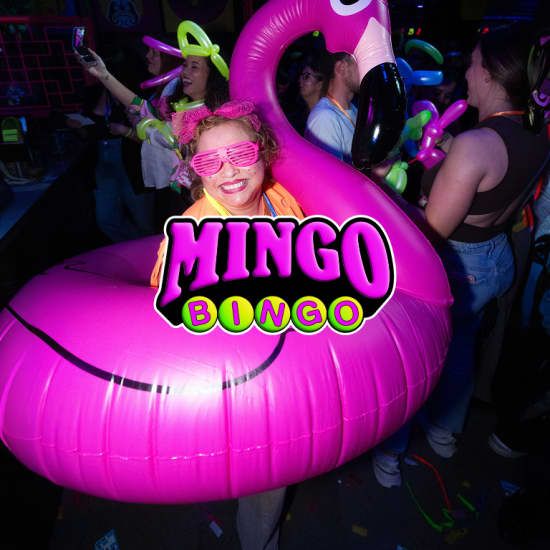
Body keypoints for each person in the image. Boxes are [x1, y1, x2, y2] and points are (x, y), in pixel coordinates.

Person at [371, 24, 550, 488]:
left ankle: (390, 455)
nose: (465, 73)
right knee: (460, 351)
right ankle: (445, 434)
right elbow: (493, 179)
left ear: (490, 74)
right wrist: (449, 151)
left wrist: (383, 191)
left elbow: (430, 230)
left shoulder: (477, 145)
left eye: (472, 64)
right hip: (495, 258)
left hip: (458, 265)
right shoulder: (536, 132)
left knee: (416, 361)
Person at [150, 99, 305, 549]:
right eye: (209, 162)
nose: (228, 171)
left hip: (288, 367)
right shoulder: (191, 237)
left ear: (263, 151)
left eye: (240, 154)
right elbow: (166, 328)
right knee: (267, 487)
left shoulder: (279, 199)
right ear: (196, 172)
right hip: (241, 389)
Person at [77, 26, 229, 230]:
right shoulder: (178, 108)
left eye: (194, 67)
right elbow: (139, 106)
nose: (184, 72)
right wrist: (103, 74)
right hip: (180, 198)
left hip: (210, 205)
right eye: (185, 65)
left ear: (213, 75)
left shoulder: (219, 117)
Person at [304, 52, 359, 163]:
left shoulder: (354, 110)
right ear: (341, 68)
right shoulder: (324, 118)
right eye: (362, 63)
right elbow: (329, 174)